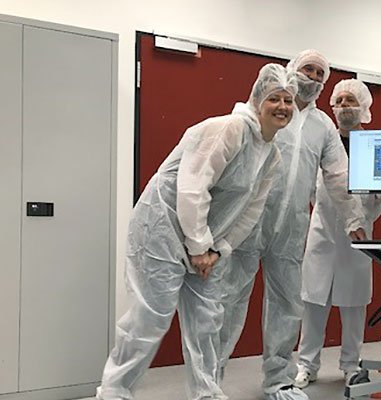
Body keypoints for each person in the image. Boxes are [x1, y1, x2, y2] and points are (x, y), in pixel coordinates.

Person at [96, 63, 298, 400]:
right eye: (274, 98)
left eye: (288, 100)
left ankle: (207, 393)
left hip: (205, 242)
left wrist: (219, 250)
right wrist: (199, 245)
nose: (282, 107)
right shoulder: (229, 129)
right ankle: (114, 392)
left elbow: (250, 211)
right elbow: (192, 188)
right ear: (257, 99)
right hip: (164, 229)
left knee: (207, 321)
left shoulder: (271, 154)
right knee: (152, 316)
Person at [217, 50, 368, 400]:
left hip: (290, 228)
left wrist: (354, 217)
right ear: (290, 70)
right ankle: (209, 382)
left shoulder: (323, 126)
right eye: (307, 69)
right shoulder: (266, 108)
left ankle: (278, 382)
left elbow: (337, 176)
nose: (313, 77)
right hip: (247, 222)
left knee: (286, 306)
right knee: (228, 303)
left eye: (320, 73)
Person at [295, 79, 381, 388]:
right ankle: (307, 364)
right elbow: (310, 184)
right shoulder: (322, 140)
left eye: (351, 100)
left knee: (353, 303)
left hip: (360, 235)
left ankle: (350, 364)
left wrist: (362, 217)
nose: (345, 106)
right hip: (322, 230)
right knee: (314, 300)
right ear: (331, 105)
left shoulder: (373, 147)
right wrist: (325, 211)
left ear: (364, 107)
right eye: (340, 100)